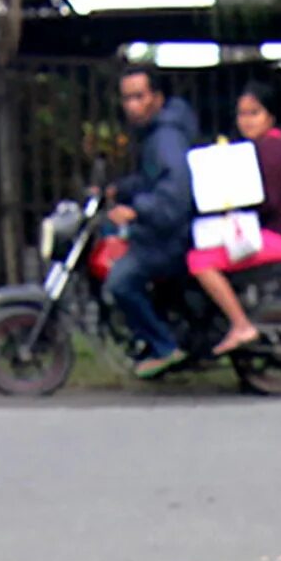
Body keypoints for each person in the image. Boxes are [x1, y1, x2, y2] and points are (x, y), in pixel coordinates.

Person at [189, 83, 281, 356]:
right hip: (269, 233)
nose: (246, 121)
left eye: (254, 113)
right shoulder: (262, 146)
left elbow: (266, 200)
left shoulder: (272, 149)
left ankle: (241, 325)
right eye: (242, 114)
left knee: (199, 261)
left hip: (278, 237)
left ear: (270, 116)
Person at [105, 66, 200, 376]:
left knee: (120, 280)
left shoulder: (166, 137)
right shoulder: (156, 133)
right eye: (126, 98)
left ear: (157, 98)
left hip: (171, 235)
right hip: (163, 229)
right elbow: (151, 180)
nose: (132, 105)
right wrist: (119, 189)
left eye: (139, 97)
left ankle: (164, 347)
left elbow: (173, 195)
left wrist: (136, 211)